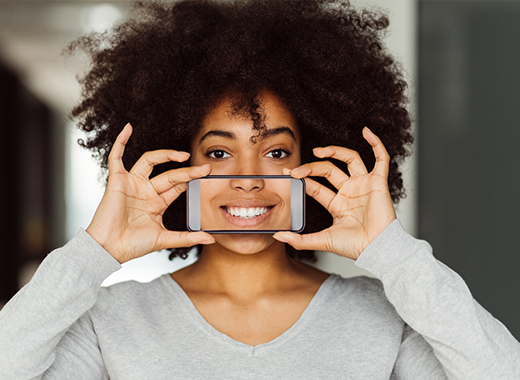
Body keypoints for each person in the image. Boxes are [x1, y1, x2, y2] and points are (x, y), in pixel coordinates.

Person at [1, 0, 519, 378]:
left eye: (275, 152)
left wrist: (394, 254)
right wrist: (93, 254)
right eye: (219, 153)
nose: (248, 177)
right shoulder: (111, 321)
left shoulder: (383, 318)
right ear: (175, 164)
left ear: (314, 162)